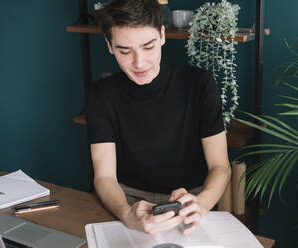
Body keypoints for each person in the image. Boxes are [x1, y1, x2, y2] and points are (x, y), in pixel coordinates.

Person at [86, 0, 231, 235]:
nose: (139, 62)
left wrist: (201, 203)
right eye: (125, 51)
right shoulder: (101, 95)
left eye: (148, 46)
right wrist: (126, 213)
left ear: (162, 35)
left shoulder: (199, 84)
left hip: (190, 199)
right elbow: (104, 177)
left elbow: (220, 166)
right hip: (127, 200)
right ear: (109, 46)